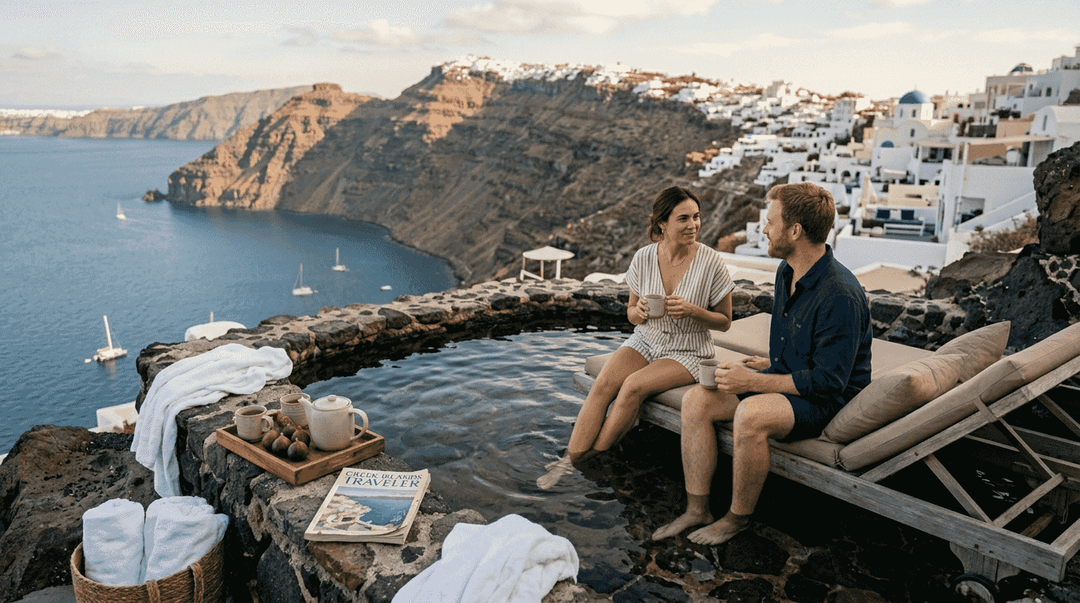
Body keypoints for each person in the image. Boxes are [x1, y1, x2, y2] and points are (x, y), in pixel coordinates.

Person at [651, 181, 872, 544]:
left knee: (750, 416)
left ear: (795, 230)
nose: (764, 229)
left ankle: (736, 518)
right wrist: (769, 363)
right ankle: (697, 509)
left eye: (771, 222)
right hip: (791, 378)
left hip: (826, 402)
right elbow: (807, 345)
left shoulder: (840, 295)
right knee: (697, 400)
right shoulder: (788, 271)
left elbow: (829, 382)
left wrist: (753, 382)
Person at [538, 186, 735, 489]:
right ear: (662, 224)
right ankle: (569, 458)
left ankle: (587, 459)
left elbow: (724, 322)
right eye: (683, 218)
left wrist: (693, 310)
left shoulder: (711, 262)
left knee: (631, 387)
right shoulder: (644, 257)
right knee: (604, 383)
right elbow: (630, 312)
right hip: (646, 338)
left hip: (688, 350)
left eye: (696, 217)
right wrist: (639, 311)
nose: (693, 225)